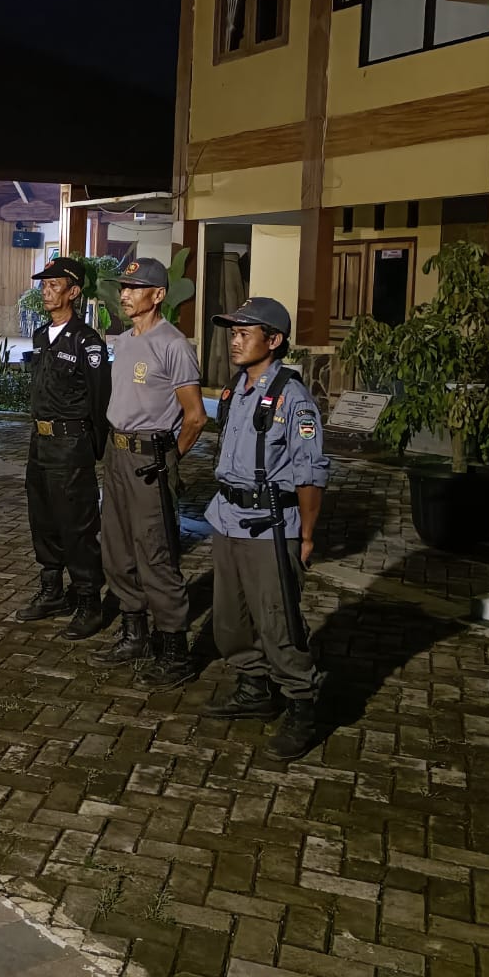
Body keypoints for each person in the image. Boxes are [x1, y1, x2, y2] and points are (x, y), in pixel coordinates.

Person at [202, 297, 329, 761]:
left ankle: (301, 704)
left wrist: (307, 536)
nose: (234, 341)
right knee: (231, 619)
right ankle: (254, 687)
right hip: (227, 518)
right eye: (232, 333)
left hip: (271, 526)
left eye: (245, 333)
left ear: (273, 340)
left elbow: (310, 474)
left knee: (278, 620)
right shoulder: (236, 388)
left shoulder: (294, 399)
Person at [91, 258, 207, 687]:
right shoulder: (123, 341)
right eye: (123, 286)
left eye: (134, 287)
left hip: (149, 460)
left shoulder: (173, 345)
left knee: (154, 554)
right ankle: (134, 633)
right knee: (117, 549)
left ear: (157, 295)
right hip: (117, 454)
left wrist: (169, 458)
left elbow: (195, 417)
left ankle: (174, 649)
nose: (124, 294)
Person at [15, 256, 111, 639]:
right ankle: (53, 591)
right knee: (42, 519)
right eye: (44, 285)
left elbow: (101, 400)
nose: (46, 291)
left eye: (54, 285)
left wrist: (92, 447)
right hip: (40, 442)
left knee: (77, 525)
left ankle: (89, 600)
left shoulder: (87, 341)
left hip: (71, 444)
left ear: (73, 292)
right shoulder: (41, 336)